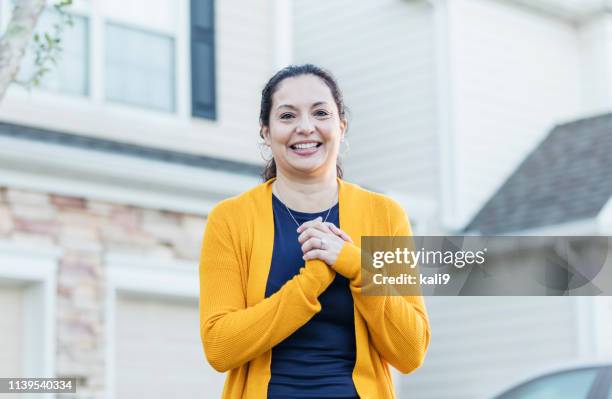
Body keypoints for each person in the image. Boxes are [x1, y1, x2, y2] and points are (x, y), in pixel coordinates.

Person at [199, 64, 430, 399]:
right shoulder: (231, 219)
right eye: (288, 116)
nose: (305, 128)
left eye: (320, 113)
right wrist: (310, 284)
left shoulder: (384, 216)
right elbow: (220, 348)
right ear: (266, 131)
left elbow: (410, 352)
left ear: (341, 125)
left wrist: (356, 266)